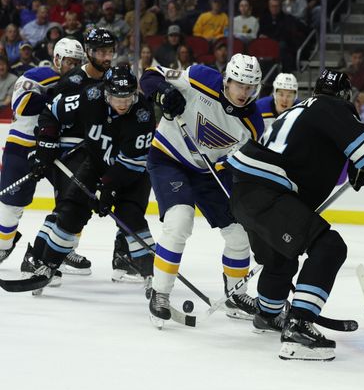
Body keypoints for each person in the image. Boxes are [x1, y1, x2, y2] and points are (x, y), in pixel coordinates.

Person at [228, 70, 364, 361]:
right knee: (330, 247)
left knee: (280, 258)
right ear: (345, 96)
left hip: (244, 192)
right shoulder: (332, 107)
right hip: (270, 193)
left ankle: (269, 314)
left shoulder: (299, 109)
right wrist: (362, 167)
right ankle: (298, 325)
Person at [140, 54, 266, 325]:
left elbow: (236, 162)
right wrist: (163, 93)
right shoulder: (198, 78)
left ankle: (235, 294)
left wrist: (226, 169)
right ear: (227, 80)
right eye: (239, 85)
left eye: (250, 87)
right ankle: (160, 293)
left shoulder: (253, 125)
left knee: (239, 232)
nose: (244, 93)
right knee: (180, 219)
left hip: (208, 172)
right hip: (168, 158)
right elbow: (152, 73)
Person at [21, 66, 155, 291]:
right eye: (116, 97)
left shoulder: (143, 113)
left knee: (130, 217)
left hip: (133, 172)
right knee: (71, 211)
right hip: (95, 163)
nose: (122, 104)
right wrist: (46, 144)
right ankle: (47, 265)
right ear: (105, 93)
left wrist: (109, 187)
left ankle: (153, 275)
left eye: (128, 97)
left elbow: (132, 162)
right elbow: (51, 111)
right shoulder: (90, 96)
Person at [0, 39, 85, 267]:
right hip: (21, 147)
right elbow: (23, 106)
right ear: (57, 59)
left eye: (77, 63)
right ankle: (2, 247)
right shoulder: (38, 75)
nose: (73, 67)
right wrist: (60, 95)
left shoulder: (81, 84)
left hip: (56, 150)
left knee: (72, 200)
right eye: (69, 61)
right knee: (11, 205)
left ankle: (63, 250)